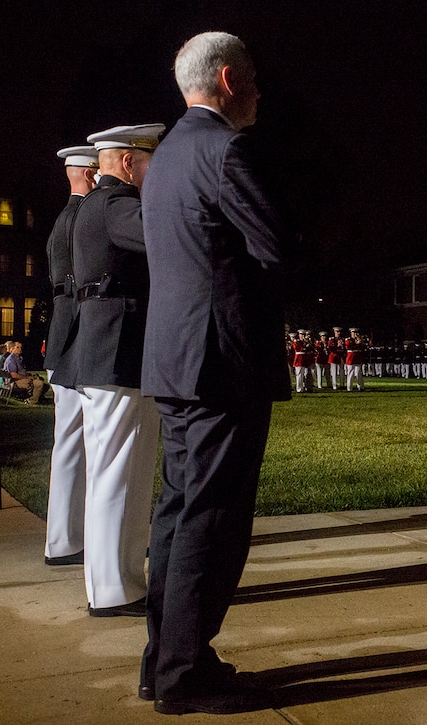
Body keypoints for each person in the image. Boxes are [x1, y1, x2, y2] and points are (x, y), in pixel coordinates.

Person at [140, 31, 291, 715]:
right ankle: (184, 672)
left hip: (175, 360)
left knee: (176, 515)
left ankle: (166, 658)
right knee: (213, 519)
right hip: (220, 364)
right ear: (228, 79)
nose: (258, 89)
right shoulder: (224, 150)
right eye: (252, 78)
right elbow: (276, 250)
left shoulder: (167, 154)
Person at [51, 123, 165, 617]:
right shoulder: (117, 204)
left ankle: (111, 583)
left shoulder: (94, 205)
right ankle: (116, 588)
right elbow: (167, 234)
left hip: (104, 349)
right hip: (118, 350)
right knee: (121, 473)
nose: (152, 170)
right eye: (148, 161)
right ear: (126, 162)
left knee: (109, 472)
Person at [43, 144, 98, 567]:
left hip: (63, 333)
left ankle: (64, 538)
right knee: (77, 444)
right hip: (74, 334)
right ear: (87, 173)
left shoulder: (64, 217)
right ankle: (68, 540)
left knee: (69, 445)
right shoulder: (79, 216)